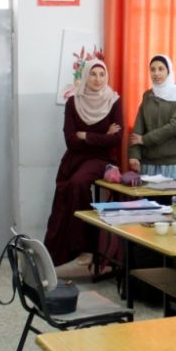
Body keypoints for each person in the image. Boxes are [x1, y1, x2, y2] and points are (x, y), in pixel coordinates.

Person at [43, 59, 122, 267]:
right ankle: (61, 252)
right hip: (74, 158)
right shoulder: (73, 102)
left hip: (102, 160)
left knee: (78, 182)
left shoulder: (113, 101)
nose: (97, 79)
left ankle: (86, 247)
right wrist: (101, 136)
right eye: (93, 74)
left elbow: (116, 140)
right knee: (65, 190)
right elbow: (70, 140)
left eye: (102, 74)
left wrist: (85, 135)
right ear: (86, 76)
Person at [128, 54, 176, 181]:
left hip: (172, 163)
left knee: (170, 200)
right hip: (149, 163)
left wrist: (145, 139)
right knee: (148, 201)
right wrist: (134, 155)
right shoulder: (148, 95)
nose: (156, 73)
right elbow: (138, 127)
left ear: (169, 70)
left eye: (161, 69)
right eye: (152, 69)